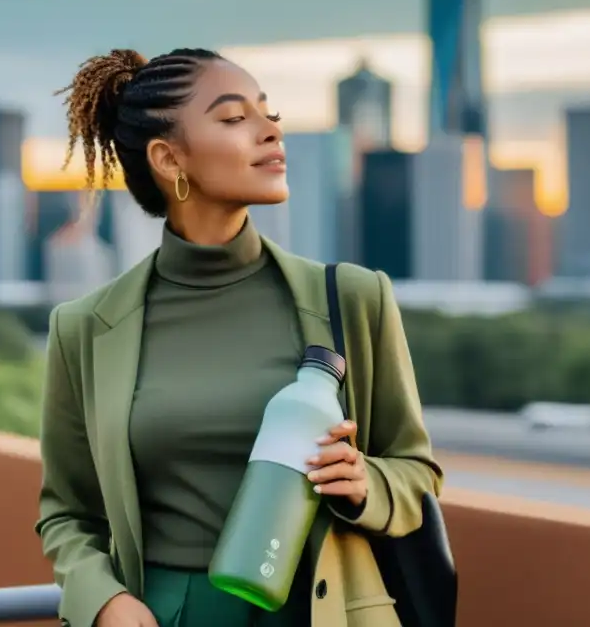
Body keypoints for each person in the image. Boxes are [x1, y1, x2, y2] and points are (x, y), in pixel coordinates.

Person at [35, 48, 443, 627]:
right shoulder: (84, 328)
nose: (270, 131)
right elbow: (67, 514)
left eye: (267, 113)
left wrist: (363, 481)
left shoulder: (353, 298)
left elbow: (416, 471)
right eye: (234, 119)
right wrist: (103, 601)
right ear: (168, 158)